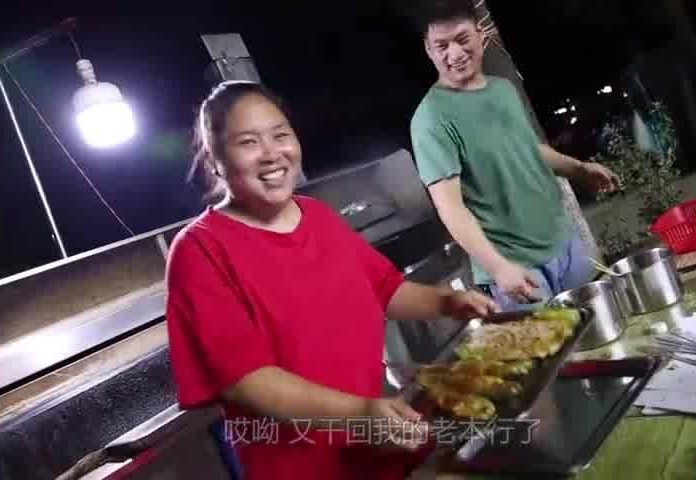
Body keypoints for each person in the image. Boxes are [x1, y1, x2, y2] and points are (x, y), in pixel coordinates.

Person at [165, 80, 499, 480]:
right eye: (248, 142)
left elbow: (385, 290)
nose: (271, 153)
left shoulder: (318, 216)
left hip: (376, 444)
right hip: (299, 467)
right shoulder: (200, 250)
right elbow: (246, 381)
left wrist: (447, 302)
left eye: (280, 135)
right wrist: (359, 413)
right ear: (216, 159)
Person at [409, 0, 621, 309]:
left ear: (480, 34)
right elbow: (450, 207)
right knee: (554, 341)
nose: (454, 54)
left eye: (462, 39)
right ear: (428, 49)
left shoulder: (503, 90)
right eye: (442, 46)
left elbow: (529, 150)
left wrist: (580, 168)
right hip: (515, 267)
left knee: (606, 328)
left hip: (564, 243)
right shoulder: (431, 119)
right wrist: (498, 267)